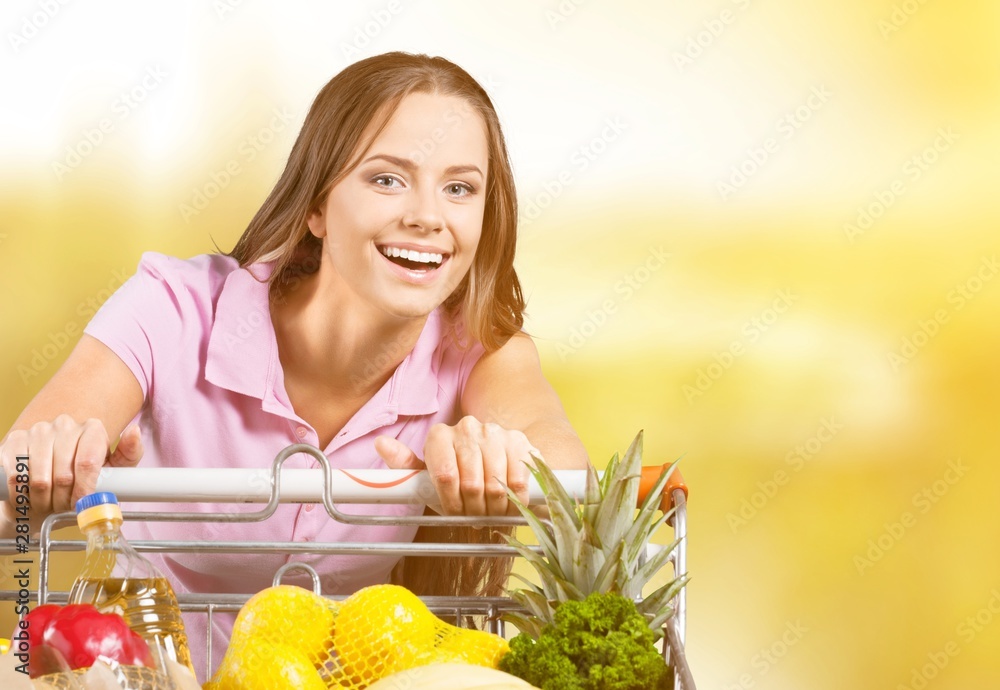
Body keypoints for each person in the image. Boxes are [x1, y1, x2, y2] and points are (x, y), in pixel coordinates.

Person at [0, 51, 589, 678]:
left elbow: (564, 465)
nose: (428, 216)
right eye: (387, 179)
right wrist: (48, 462)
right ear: (316, 208)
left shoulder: (479, 350)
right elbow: (22, 463)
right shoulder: (171, 309)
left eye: (460, 188)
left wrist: (504, 457)